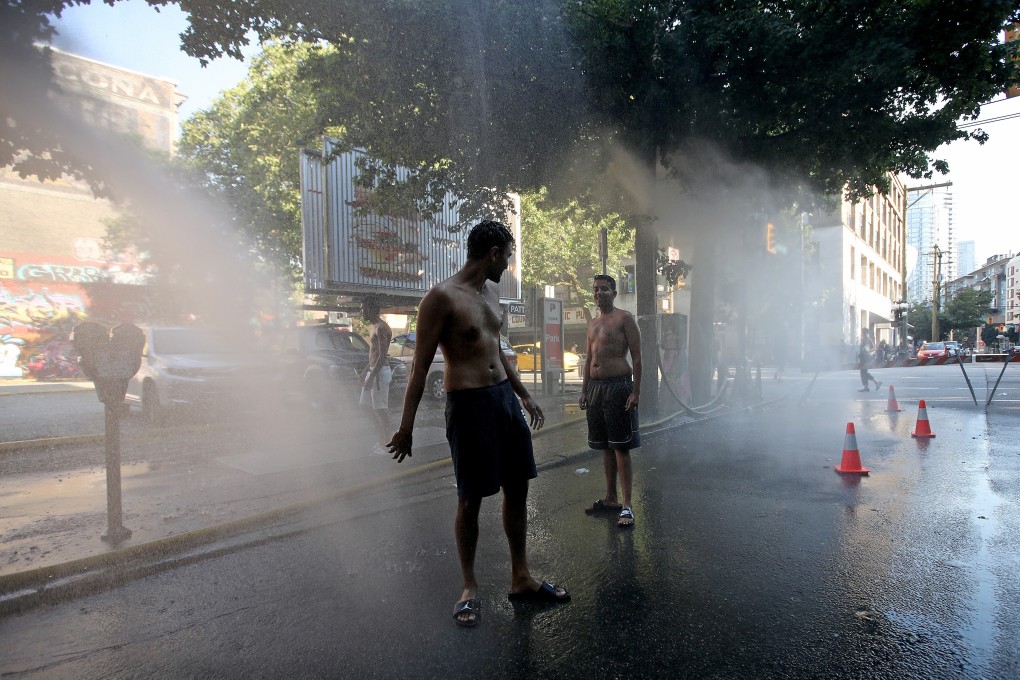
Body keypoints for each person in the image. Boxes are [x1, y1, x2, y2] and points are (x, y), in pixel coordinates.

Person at [386, 220, 569, 628]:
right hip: (468, 404)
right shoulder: (440, 298)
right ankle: (469, 586)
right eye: (507, 255)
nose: (508, 263)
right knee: (470, 497)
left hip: (504, 399)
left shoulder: (492, 291)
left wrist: (522, 393)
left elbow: (496, 350)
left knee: (517, 486)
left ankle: (520, 576)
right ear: (492, 253)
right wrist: (406, 427)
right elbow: (419, 368)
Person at [579, 274, 642, 528]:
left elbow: (637, 359)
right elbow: (588, 359)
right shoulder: (592, 323)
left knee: (620, 446)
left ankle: (627, 506)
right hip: (595, 389)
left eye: (604, 289)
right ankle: (611, 498)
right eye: (595, 289)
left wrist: (636, 392)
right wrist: (584, 390)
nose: (599, 293)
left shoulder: (625, 318)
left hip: (618, 388)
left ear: (614, 293)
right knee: (605, 445)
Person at [358, 297, 393, 455]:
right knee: (365, 406)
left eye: (363, 308)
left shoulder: (381, 328)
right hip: (373, 371)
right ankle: (382, 438)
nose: (361, 311)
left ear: (372, 309)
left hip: (379, 373)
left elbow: (382, 355)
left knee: (381, 410)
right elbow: (374, 355)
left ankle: (387, 443)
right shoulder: (373, 327)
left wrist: (372, 376)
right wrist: (366, 371)